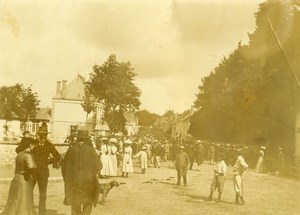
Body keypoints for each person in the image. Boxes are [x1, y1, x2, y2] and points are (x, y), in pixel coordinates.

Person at [62, 130, 100, 215]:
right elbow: (99, 166)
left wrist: (67, 179)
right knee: (87, 203)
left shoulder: (71, 150)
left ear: (78, 138)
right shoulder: (91, 150)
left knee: (75, 205)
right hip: (88, 184)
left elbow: (64, 167)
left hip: (74, 184)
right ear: (86, 139)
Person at [31, 124, 61, 215]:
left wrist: (48, 161)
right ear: (38, 134)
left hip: (43, 172)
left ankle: (42, 212)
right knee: (28, 191)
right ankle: (29, 210)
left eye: (44, 134)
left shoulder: (49, 145)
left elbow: (58, 156)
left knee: (42, 194)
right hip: (33, 171)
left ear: (46, 135)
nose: (43, 136)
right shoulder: (33, 143)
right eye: (41, 134)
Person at [3, 138, 36, 215]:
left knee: (15, 200)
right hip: (24, 179)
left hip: (17, 178)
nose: (34, 146)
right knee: (24, 201)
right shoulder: (27, 155)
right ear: (30, 145)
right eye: (33, 144)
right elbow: (31, 166)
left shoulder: (19, 155)